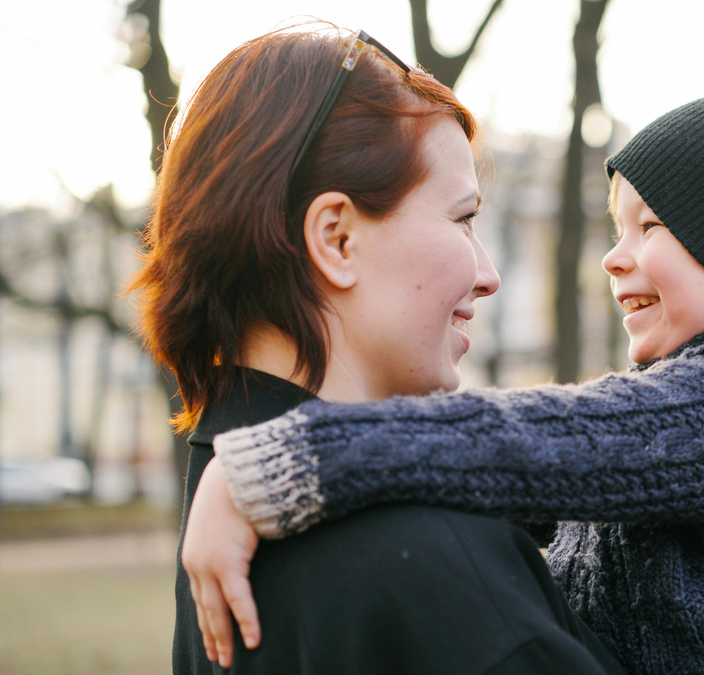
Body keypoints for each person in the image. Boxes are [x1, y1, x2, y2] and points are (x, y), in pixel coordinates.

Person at [189, 85, 704, 675]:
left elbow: (540, 442)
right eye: (616, 229)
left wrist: (289, 460)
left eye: (651, 227)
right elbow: (514, 479)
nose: (614, 257)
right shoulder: (677, 427)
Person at [129, 25, 624, 675]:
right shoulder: (435, 559)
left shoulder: (221, 495)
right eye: (462, 218)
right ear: (336, 238)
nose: (487, 274)